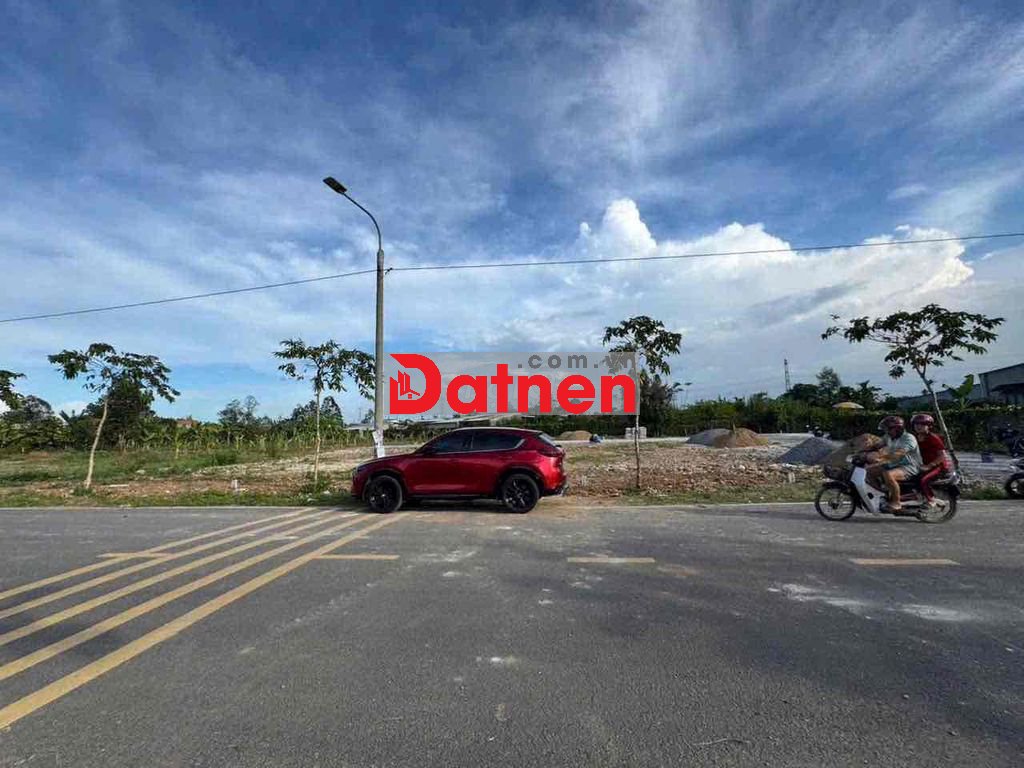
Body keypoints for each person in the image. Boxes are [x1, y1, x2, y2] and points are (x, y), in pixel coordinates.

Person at [866, 415, 922, 512]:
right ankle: (884, 494)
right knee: (869, 471)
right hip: (894, 464)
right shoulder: (889, 437)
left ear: (897, 429)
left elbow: (899, 454)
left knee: (888, 474)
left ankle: (896, 502)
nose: (886, 432)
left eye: (888, 429)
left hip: (910, 466)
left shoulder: (909, 438)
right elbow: (877, 445)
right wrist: (861, 451)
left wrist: (881, 458)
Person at [911, 413, 950, 511]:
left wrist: (930, 465)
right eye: (916, 424)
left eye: (922, 424)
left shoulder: (933, 438)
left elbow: (942, 455)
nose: (918, 426)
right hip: (923, 465)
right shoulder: (914, 438)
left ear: (929, 426)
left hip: (938, 467)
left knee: (924, 480)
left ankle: (931, 500)